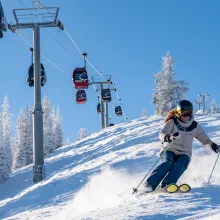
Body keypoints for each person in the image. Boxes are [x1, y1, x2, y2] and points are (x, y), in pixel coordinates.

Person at [143, 100, 220, 193]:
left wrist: (213, 146)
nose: (187, 117)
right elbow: (162, 133)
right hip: (170, 149)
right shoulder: (172, 122)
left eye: (189, 114)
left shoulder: (195, 126)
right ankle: (149, 185)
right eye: (184, 114)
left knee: (182, 162)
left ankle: (167, 184)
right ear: (178, 114)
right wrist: (168, 137)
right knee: (168, 163)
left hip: (184, 153)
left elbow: (204, 139)